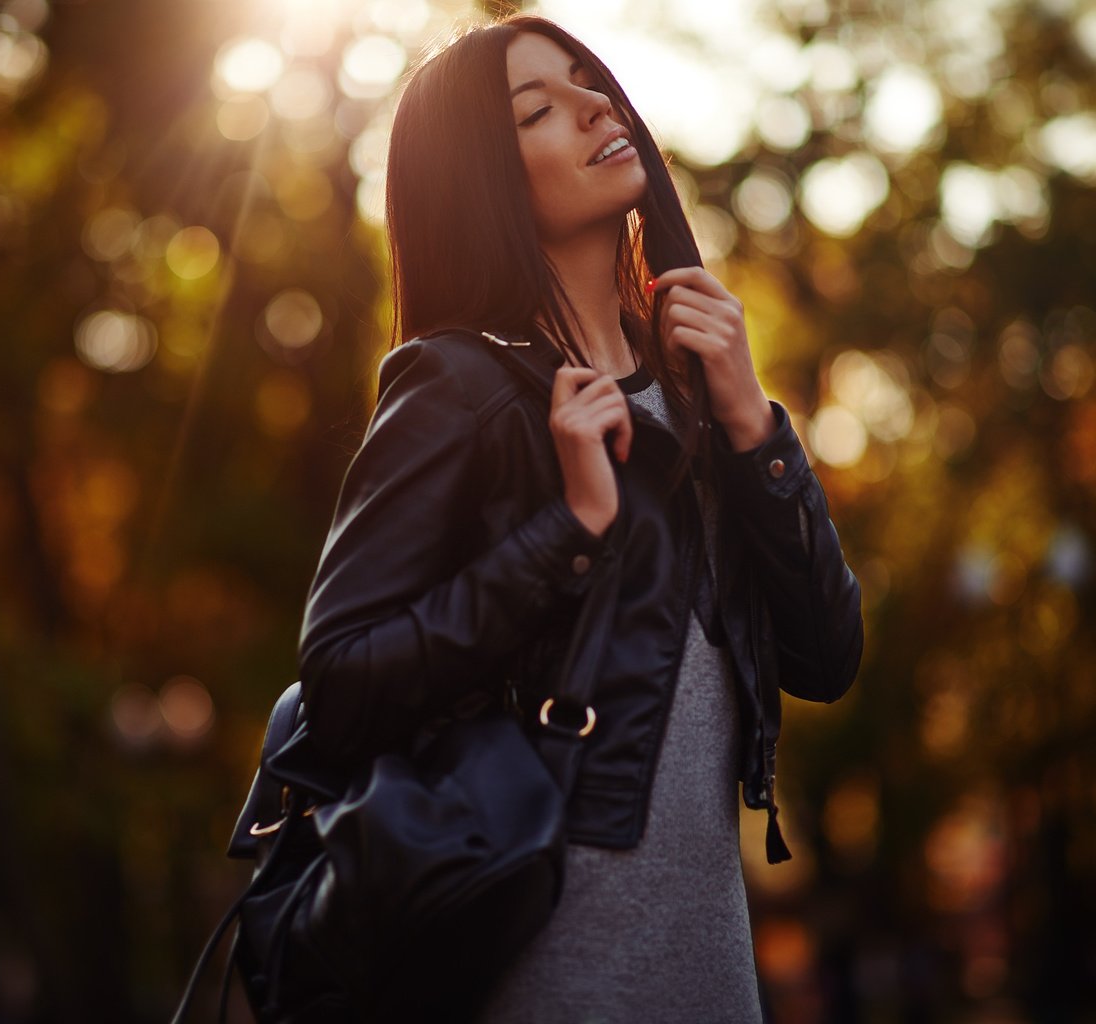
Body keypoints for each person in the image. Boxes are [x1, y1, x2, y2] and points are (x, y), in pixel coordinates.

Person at [296, 14, 863, 1023]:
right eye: (535, 109)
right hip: (549, 977)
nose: (595, 103)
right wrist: (565, 531)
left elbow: (823, 656)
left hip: (712, 977)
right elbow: (339, 683)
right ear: (484, 179)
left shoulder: (698, 400)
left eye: (585, 79)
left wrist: (752, 427)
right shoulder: (456, 388)